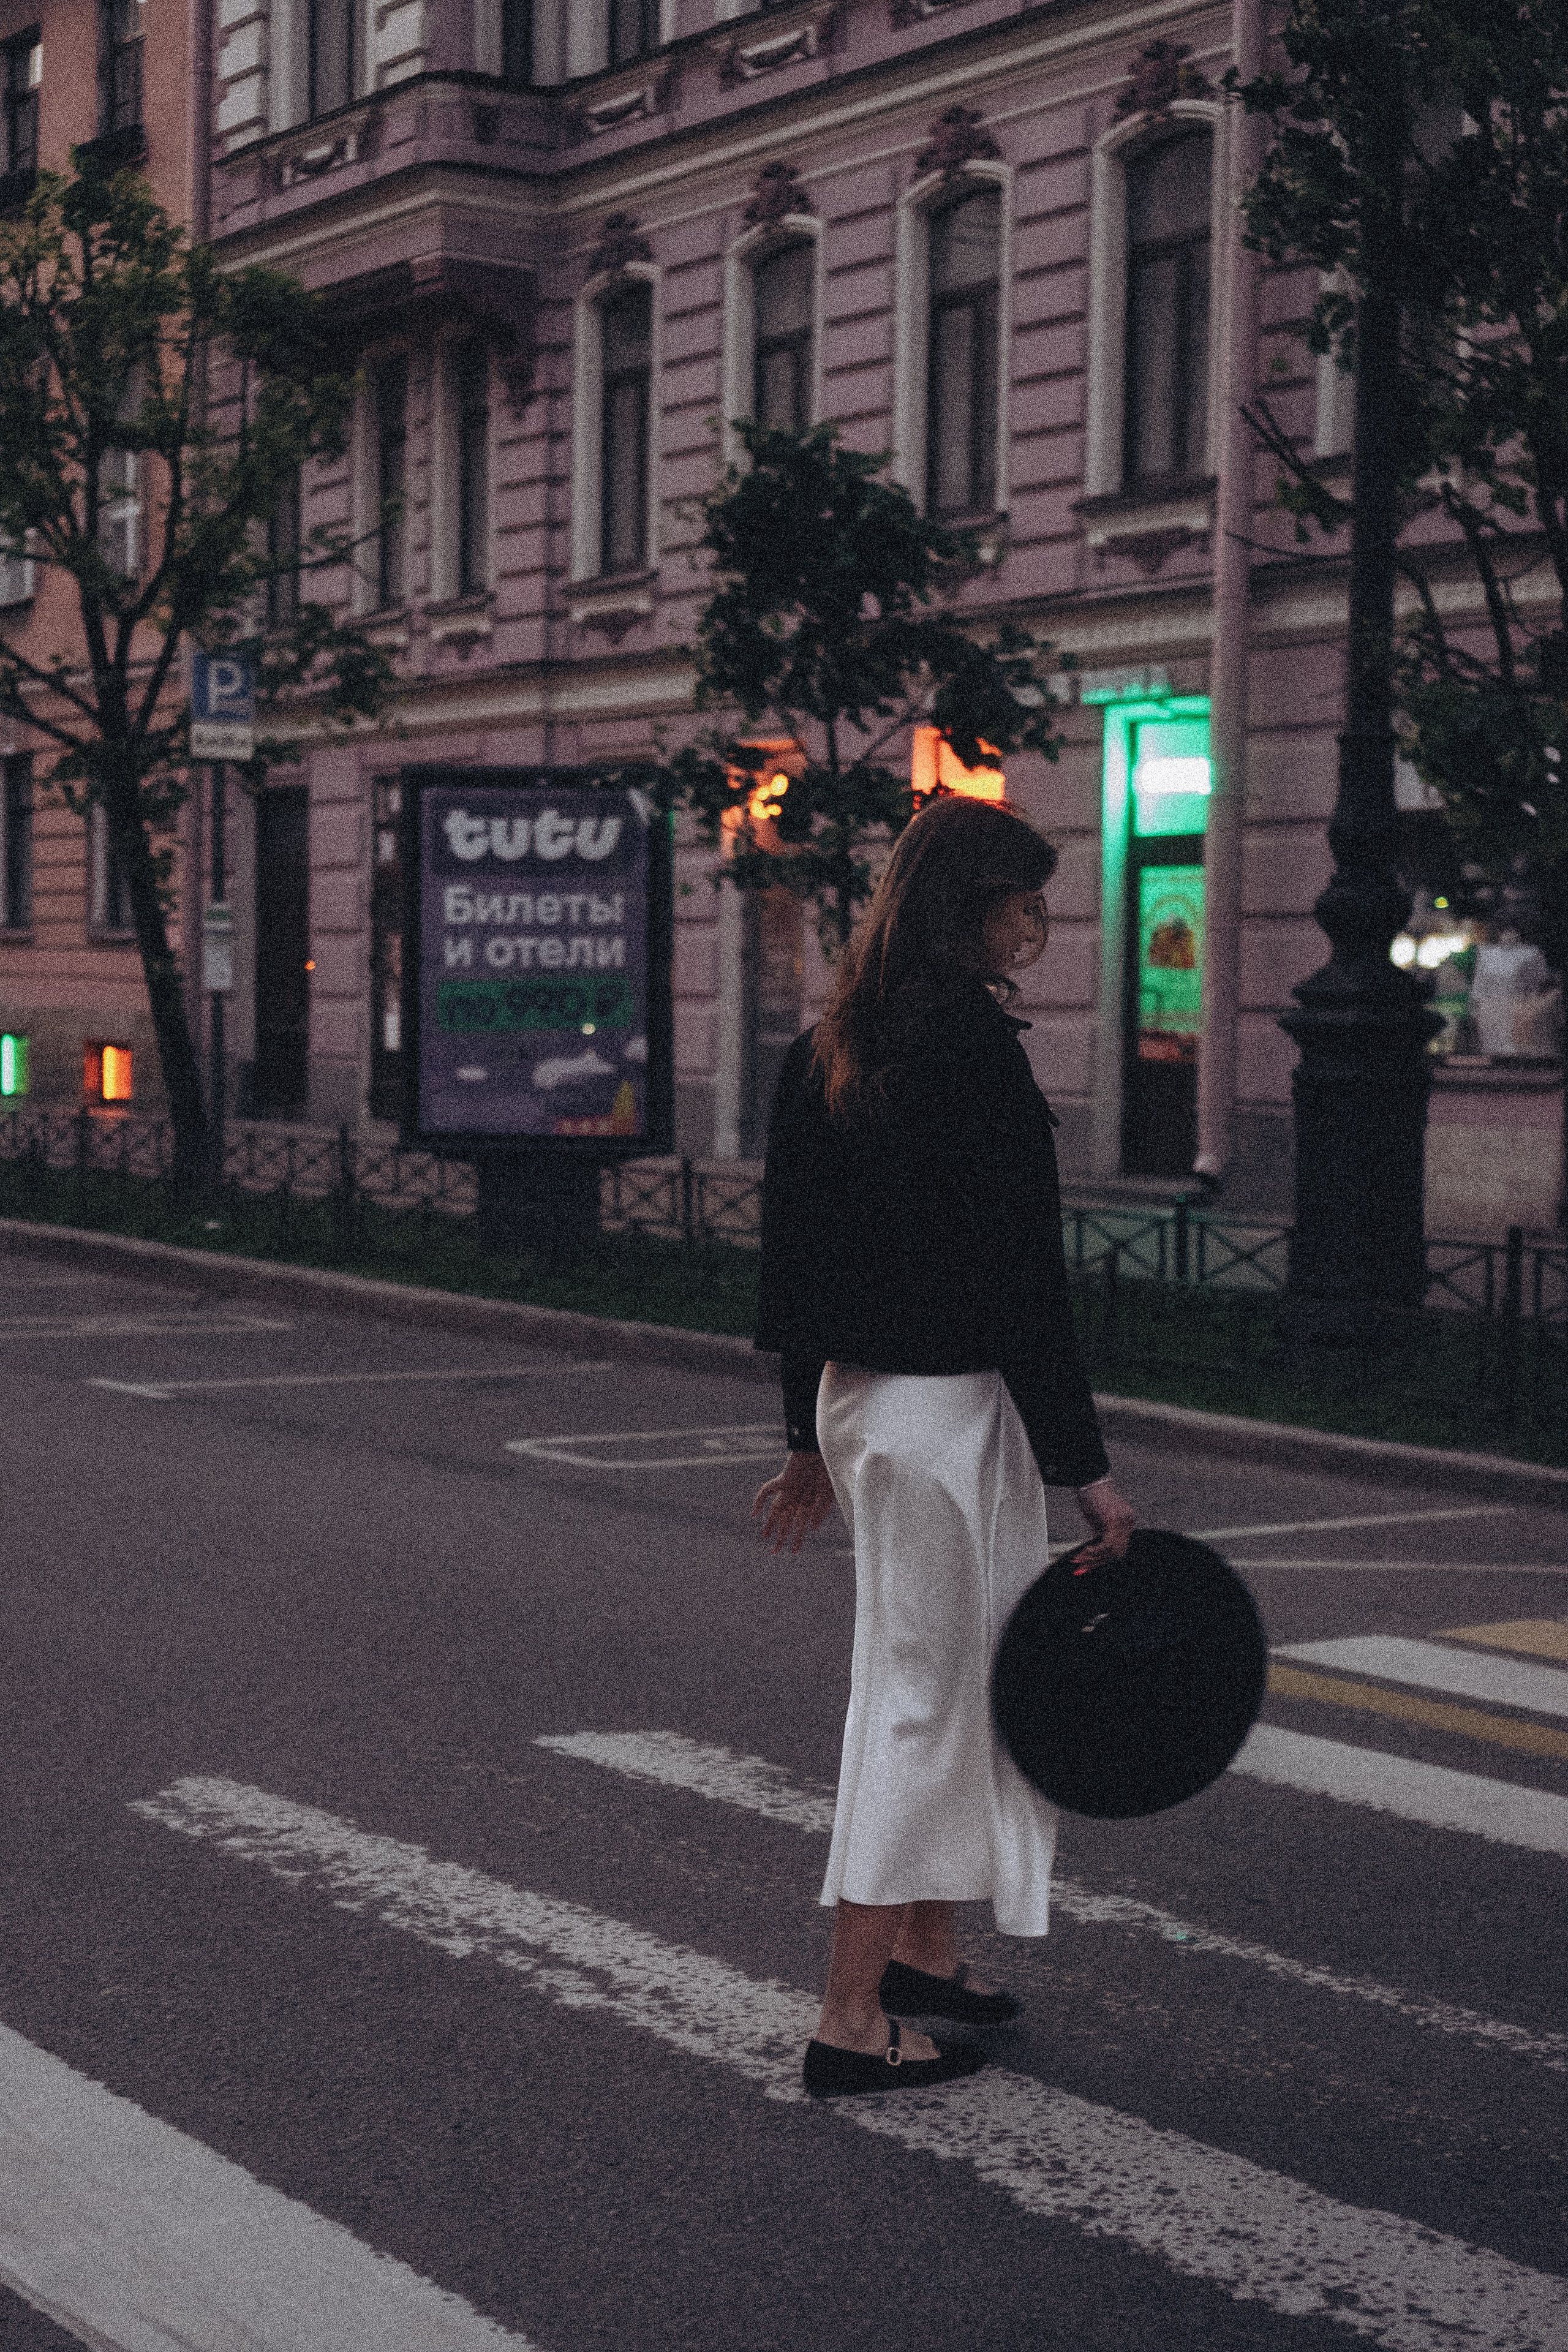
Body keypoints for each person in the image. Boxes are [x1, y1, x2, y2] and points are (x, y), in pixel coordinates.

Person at [751, 793, 1136, 2099]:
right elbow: (1025, 1280)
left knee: (939, 1679)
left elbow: (791, 1263)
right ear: (968, 910)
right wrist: (1086, 1468)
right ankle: (849, 2021)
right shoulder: (969, 1050)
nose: (1039, 920)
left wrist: (803, 1433)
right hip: (947, 1414)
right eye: (1023, 899)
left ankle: (925, 1956)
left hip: (868, 1411)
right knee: (923, 1706)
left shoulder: (831, 1043)